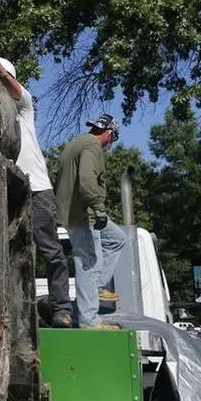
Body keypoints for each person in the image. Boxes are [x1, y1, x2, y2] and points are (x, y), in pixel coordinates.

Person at [0, 57, 74, 328]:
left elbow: (9, 83)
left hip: (37, 189)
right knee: (8, 252)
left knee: (50, 250)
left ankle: (62, 308)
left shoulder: (23, 107)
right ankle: (9, 310)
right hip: (8, 191)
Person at [55, 113, 125, 330]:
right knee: (89, 263)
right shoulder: (93, 147)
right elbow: (86, 181)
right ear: (109, 134)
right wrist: (99, 208)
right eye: (112, 139)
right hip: (84, 215)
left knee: (117, 239)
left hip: (73, 212)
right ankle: (89, 321)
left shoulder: (75, 143)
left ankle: (94, 288)